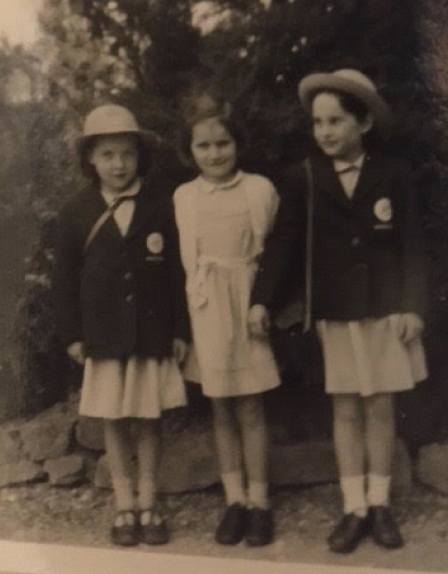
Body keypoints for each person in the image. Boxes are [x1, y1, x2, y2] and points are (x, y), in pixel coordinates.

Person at [249, 69, 428, 553]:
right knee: (346, 408)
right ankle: (353, 507)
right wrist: (262, 298)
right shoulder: (305, 178)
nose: (325, 131)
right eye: (318, 122)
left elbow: (412, 242)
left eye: (335, 121)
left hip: (386, 308)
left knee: (381, 405)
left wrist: (412, 305)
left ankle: (380, 503)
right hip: (336, 311)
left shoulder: (393, 174)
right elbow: (283, 243)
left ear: (363, 122)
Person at [54, 104, 190, 547]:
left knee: (149, 419)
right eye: (108, 154)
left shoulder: (160, 203)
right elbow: (64, 278)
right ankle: (124, 504)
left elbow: (177, 272)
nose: (118, 164)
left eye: (127, 154)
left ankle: (149, 502)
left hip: (151, 332)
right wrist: (73, 334)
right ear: (91, 160)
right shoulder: (77, 211)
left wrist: (179, 331)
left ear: (139, 157)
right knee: (114, 419)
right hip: (104, 334)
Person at [173, 93, 281, 547]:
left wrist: (263, 301)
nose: (215, 154)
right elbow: (183, 266)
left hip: (248, 303)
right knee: (220, 407)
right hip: (207, 306)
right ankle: (233, 500)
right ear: (190, 151)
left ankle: (260, 502)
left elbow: (274, 255)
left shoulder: (259, 190)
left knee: (252, 406)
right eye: (204, 146)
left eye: (223, 144)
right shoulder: (185, 197)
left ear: (237, 144)